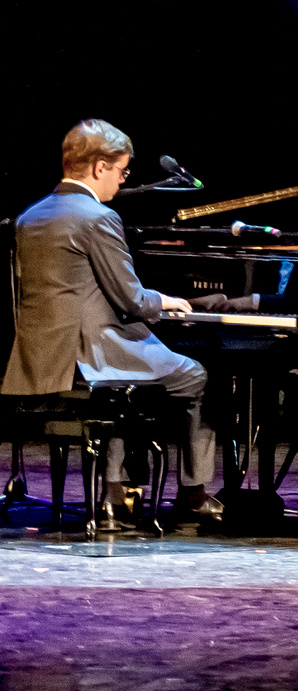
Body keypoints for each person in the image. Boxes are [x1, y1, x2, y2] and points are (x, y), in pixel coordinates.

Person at [4, 121, 226, 526]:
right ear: (99, 167)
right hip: (93, 353)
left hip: (42, 357)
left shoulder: (29, 216)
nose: (122, 181)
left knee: (129, 388)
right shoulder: (98, 217)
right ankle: (193, 494)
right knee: (194, 375)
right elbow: (131, 299)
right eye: (122, 172)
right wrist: (168, 301)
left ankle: (115, 494)